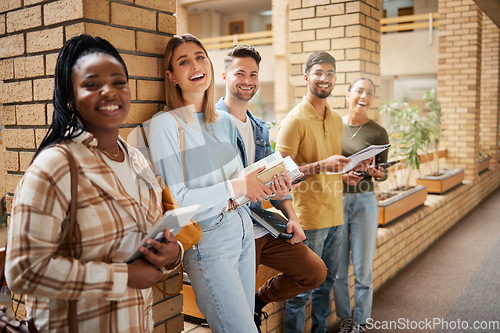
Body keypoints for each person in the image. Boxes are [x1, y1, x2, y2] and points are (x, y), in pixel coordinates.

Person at [5, 34, 183, 332]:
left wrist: (171, 254)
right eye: (91, 84)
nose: (109, 92)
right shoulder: (56, 167)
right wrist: (121, 277)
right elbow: (24, 271)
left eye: (118, 82)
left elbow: (147, 238)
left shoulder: (137, 159)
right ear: (69, 97)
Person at [148, 34, 272, 333]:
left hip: (243, 229)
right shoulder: (166, 124)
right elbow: (179, 199)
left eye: (200, 56)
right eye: (183, 61)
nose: (194, 65)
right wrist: (238, 186)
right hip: (209, 239)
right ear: (172, 76)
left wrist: (266, 184)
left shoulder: (226, 123)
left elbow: (240, 183)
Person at [215, 45, 327, 332]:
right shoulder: (211, 123)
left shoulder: (260, 129)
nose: (247, 80)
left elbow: (275, 182)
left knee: (314, 272)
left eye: (253, 74)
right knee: (234, 313)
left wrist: (292, 216)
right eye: (240, 73)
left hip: (262, 224)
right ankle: (246, 312)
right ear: (225, 75)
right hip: (232, 229)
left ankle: (258, 301)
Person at [275, 51, 351, 333]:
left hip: (335, 213)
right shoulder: (294, 120)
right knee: (301, 290)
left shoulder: (336, 119)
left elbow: (331, 164)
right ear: (306, 77)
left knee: (327, 284)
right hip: (308, 219)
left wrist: (347, 171)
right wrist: (321, 165)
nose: (325, 78)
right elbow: (280, 175)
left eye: (330, 74)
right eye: (319, 72)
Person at [333, 78, 389, 333]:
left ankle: (361, 321)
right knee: (338, 268)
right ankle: (345, 318)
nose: (364, 96)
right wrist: (341, 174)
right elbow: (326, 165)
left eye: (370, 92)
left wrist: (376, 172)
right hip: (337, 200)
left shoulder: (378, 132)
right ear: (348, 95)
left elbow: (383, 171)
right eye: (359, 90)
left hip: (365, 201)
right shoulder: (333, 126)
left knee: (363, 267)